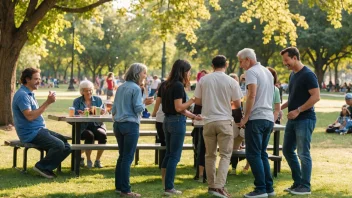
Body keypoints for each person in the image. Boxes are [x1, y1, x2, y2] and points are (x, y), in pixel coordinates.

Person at [194, 55, 242, 198]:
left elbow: (198, 102)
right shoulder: (231, 81)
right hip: (224, 121)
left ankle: (211, 185)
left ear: (212, 65)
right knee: (225, 155)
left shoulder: (203, 80)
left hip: (208, 121)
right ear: (226, 65)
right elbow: (237, 105)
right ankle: (219, 186)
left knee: (210, 155)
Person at [12, 68, 71, 179]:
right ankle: (41, 167)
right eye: (36, 79)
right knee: (59, 145)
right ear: (27, 79)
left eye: (39, 78)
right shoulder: (22, 95)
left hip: (39, 130)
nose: (39, 81)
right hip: (30, 133)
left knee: (67, 145)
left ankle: (46, 167)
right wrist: (48, 102)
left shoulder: (30, 94)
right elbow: (30, 116)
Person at [158, 59, 202, 196]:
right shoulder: (177, 86)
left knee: (169, 153)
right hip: (176, 122)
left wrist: (194, 117)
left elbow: (180, 110)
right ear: (183, 71)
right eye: (189, 71)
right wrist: (192, 100)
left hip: (167, 120)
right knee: (174, 156)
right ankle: (169, 188)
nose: (189, 74)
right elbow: (179, 107)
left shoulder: (165, 84)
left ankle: (165, 183)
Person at [280, 47, 320, 195]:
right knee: (287, 150)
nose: (285, 63)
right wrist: (280, 109)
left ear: (295, 57)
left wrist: (298, 110)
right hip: (293, 119)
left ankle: (305, 186)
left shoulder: (308, 74)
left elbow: (316, 97)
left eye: (286, 60)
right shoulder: (293, 75)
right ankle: (298, 182)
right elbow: (292, 98)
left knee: (303, 153)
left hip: (305, 119)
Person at [237, 48, 275, 198]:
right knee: (262, 154)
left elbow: (251, 95)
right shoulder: (267, 71)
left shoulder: (251, 72)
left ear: (248, 59)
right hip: (268, 117)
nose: (240, 65)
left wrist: (245, 117)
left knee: (253, 154)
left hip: (257, 118)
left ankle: (260, 189)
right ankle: (269, 188)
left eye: (241, 61)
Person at [112, 63, 154, 197]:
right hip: (130, 125)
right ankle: (126, 190)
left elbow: (113, 109)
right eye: (144, 73)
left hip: (118, 125)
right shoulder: (136, 88)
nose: (145, 75)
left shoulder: (121, 87)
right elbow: (138, 109)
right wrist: (145, 103)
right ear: (137, 74)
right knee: (127, 158)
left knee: (122, 156)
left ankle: (119, 187)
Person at [73, 80, 107, 168]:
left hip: (97, 124)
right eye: (86, 90)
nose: (88, 92)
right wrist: (80, 113)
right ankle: (88, 159)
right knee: (89, 135)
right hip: (83, 126)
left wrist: (103, 111)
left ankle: (97, 160)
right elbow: (75, 113)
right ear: (82, 91)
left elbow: (103, 111)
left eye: (90, 90)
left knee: (102, 135)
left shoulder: (98, 100)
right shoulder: (77, 101)